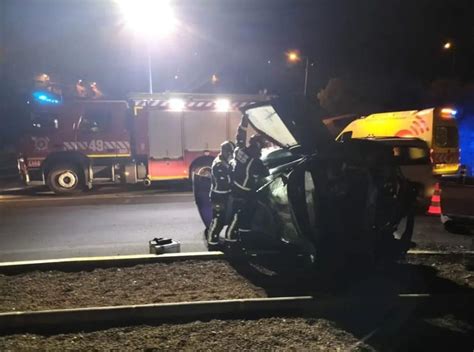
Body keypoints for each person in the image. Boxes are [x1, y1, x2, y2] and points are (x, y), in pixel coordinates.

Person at [225, 115, 269, 245]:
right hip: (246, 192)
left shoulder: (240, 151)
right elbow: (265, 173)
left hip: (236, 189)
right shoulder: (257, 162)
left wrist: (244, 121)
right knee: (243, 217)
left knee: (237, 216)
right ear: (258, 146)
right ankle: (234, 241)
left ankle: (237, 239)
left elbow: (240, 136)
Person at [207, 140, 235, 248]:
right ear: (224, 151)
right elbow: (226, 181)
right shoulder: (219, 165)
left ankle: (214, 241)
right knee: (218, 220)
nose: (231, 155)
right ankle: (212, 243)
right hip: (218, 196)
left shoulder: (224, 162)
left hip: (223, 195)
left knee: (222, 218)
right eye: (229, 152)